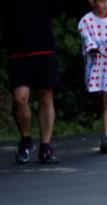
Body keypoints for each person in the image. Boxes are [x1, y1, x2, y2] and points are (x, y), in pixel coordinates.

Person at [5, 0, 59, 164]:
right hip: (18, 51)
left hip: (44, 48)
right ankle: (26, 140)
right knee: (20, 98)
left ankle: (45, 147)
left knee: (45, 97)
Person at [78, 0, 107, 153]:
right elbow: (88, 42)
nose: (104, 4)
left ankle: (106, 137)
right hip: (95, 63)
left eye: (106, 1)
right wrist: (99, 48)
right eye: (101, 1)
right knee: (102, 98)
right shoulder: (86, 21)